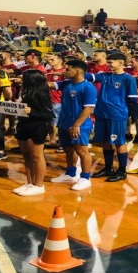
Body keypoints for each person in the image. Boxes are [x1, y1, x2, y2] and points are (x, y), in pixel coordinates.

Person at [86, 53, 138, 182]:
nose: (107, 65)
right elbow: (89, 76)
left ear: (121, 63)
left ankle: (122, 171)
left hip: (117, 115)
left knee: (119, 142)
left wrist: (122, 109)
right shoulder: (104, 76)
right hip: (101, 113)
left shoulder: (128, 79)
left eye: (110, 63)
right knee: (105, 142)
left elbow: (133, 99)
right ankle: (108, 168)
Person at [49, 60, 97, 191]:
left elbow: (88, 108)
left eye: (68, 69)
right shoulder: (67, 83)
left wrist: (76, 125)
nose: (65, 71)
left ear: (78, 71)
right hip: (64, 123)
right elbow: (50, 85)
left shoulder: (88, 87)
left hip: (80, 125)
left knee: (82, 151)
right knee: (68, 149)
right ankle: (70, 174)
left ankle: (85, 178)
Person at [13, 70, 54, 196]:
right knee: (26, 156)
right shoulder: (24, 93)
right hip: (23, 125)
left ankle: (39, 185)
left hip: (37, 127)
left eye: (24, 78)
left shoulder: (42, 95)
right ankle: (29, 183)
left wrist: (31, 112)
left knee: (37, 157)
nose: (21, 80)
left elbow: (49, 115)